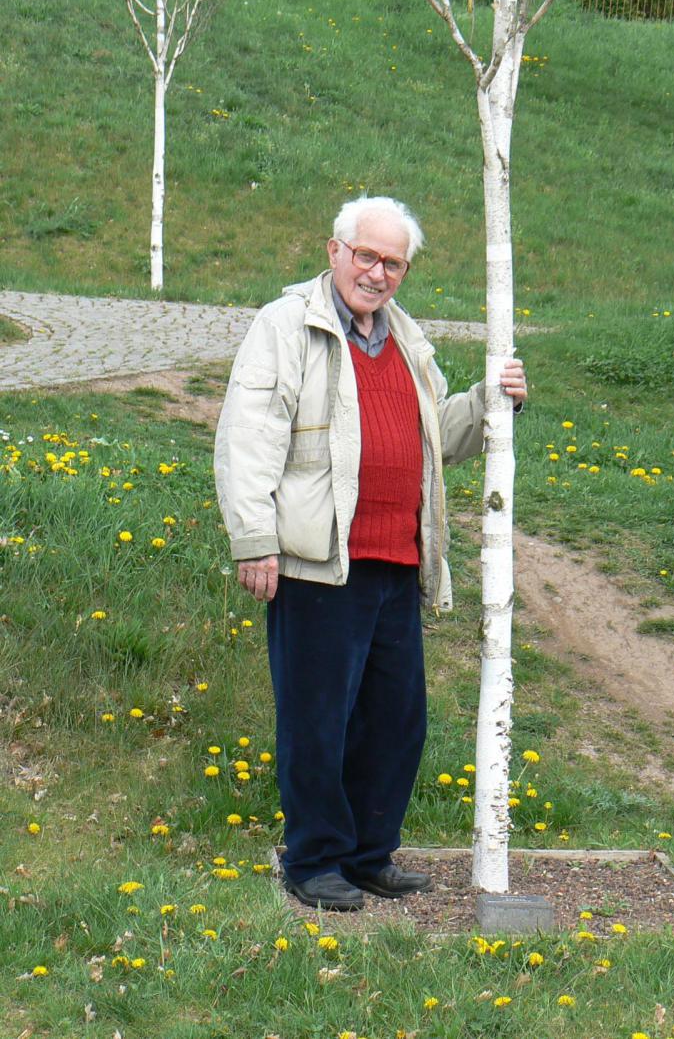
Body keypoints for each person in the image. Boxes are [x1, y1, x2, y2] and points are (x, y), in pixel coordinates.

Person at [214, 197, 527, 911]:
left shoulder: (408, 339)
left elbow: (435, 439)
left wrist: (490, 402)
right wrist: (254, 539)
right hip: (319, 561)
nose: (377, 273)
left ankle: (366, 855)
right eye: (366, 256)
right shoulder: (288, 326)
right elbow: (249, 435)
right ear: (334, 251)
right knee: (318, 716)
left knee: (394, 720)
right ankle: (314, 859)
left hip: (397, 561)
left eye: (392, 263)